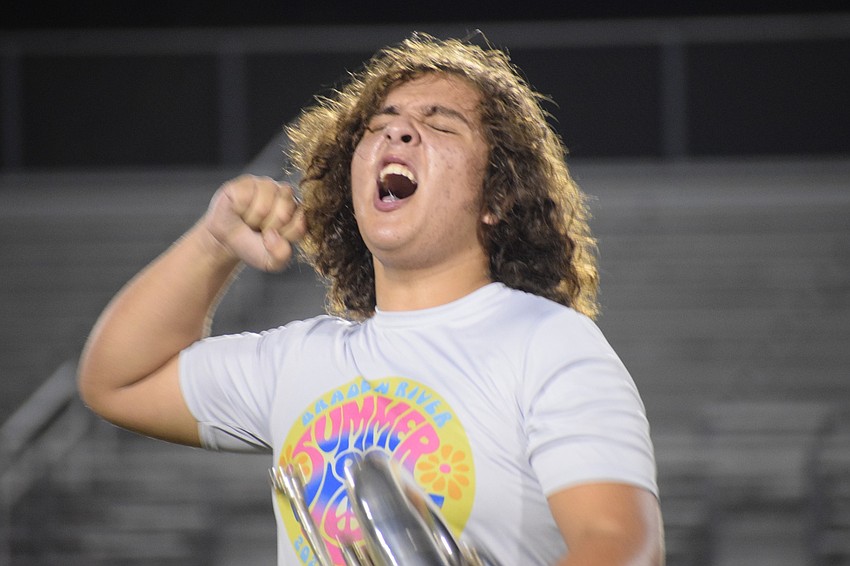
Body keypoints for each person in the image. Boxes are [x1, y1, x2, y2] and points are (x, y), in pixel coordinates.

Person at [78, 32, 664, 565]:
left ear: (497, 197)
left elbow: (621, 546)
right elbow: (116, 381)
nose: (397, 130)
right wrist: (211, 245)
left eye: (441, 124)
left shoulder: (548, 342)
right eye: (381, 121)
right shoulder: (299, 359)